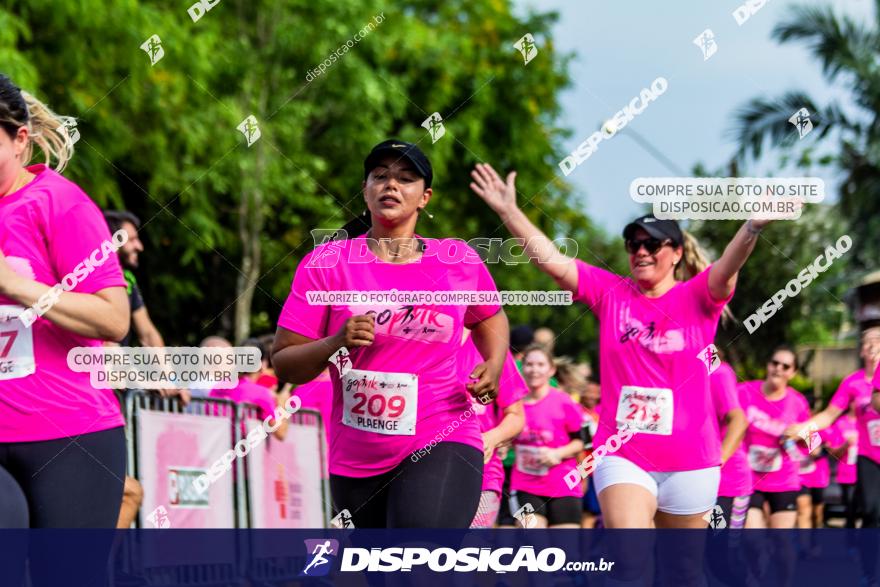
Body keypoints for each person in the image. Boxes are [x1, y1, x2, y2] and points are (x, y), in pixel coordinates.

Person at [470, 161, 768, 529]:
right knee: (630, 561)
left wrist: (752, 227)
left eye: (652, 244)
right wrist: (509, 212)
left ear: (676, 252)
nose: (640, 252)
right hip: (622, 453)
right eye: (633, 244)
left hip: (691, 458)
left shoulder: (698, 296)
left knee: (684, 575)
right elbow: (550, 260)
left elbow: (728, 265)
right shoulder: (612, 293)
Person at [272, 140, 509, 528]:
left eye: (405, 178)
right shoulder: (327, 264)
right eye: (380, 177)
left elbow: (489, 318)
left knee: (418, 561)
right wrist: (335, 343)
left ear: (424, 198)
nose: (391, 186)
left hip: (442, 430)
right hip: (357, 452)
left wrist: (495, 364)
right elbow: (284, 363)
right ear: (365, 190)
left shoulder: (457, 261)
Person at [0, 75, 130, 533]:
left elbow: (114, 319)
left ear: (19, 139)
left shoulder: (57, 203)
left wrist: (15, 286)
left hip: (70, 434)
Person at [786, 327, 880, 527]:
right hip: (869, 456)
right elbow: (829, 415)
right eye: (867, 342)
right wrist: (803, 427)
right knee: (872, 510)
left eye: (877, 340)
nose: (872, 345)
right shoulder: (852, 383)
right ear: (861, 351)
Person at [509, 345, 584, 528]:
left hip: (563, 484)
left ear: (551, 370)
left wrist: (557, 453)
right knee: (533, 545)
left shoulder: (564, 402)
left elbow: (581, 441)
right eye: (529, 364)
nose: (534, 370)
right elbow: (506, 435)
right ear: (522, 367)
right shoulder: (513, 403)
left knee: (566, 551)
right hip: (525, 485)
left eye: (540, 364)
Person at [459, 330, 525, 528]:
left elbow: (516, 415)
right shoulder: (424, 335)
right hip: (422, 467)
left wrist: (492, 438)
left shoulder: (492, 346)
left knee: (470, 550)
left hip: (482, 470)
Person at [740, 346, 810, 529]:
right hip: (749, 477)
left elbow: (814, 444)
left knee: (782, 544)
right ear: (768, 365)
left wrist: (799, 435)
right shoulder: (744, 392)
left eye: (785, 366)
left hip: (784, 479)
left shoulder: (798, 402)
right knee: (753, 539)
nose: (778, 368)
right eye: (775, 363)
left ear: (793, 373)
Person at [210, 338, 287, 440]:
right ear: (263, 364)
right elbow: (281, 434)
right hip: (244, 451)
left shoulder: (217, 387)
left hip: (215, 450)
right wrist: (282, 403)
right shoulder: (262, 393)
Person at [710, 356, 749, 528]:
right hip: (689, 480)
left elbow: (739, 421)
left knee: (720, 548)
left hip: (728, 482)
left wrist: (716, 463)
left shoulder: (719, 372)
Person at [827, 405, 859, 528]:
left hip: (869, 473)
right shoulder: (840, 423)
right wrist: (846, 444)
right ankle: (851, 542)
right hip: (848, 475)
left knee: (870, 510)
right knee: (850, 511)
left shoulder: (871, 420)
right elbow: (833, 453)